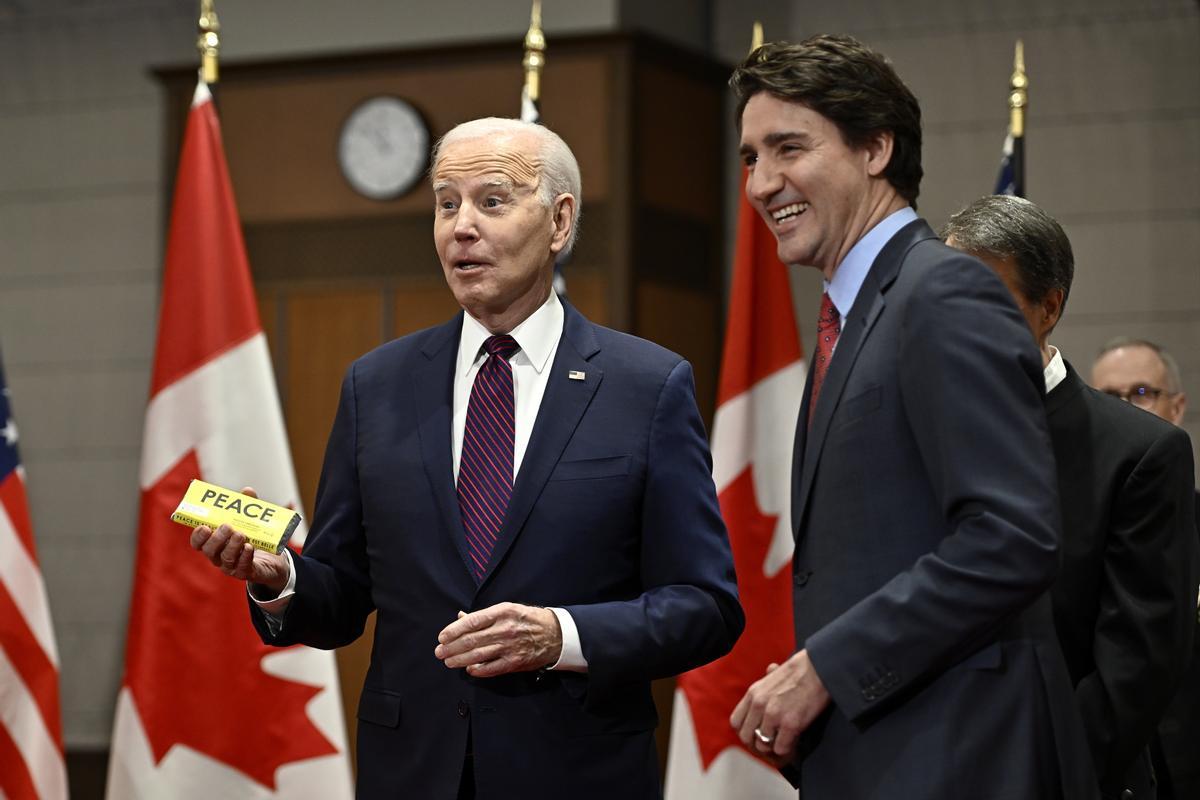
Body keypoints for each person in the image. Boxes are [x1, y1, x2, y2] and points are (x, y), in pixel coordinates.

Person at [189, 117, 744, 799]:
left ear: (560, 222)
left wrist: (561, 635)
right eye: (446, 203)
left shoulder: (646, 386)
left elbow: (706, 607)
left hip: (575, 773)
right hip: (412, 771)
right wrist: (282, 581)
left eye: (492, 200)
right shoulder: (376, 384)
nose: (461, 227)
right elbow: (341, 595)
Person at [727, 36, 1097, 797]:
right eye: (750, 157)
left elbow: (1012, 537)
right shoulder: (860, 312)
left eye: (788, 148)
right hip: (890, 751)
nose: (762, 184)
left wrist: (825, 666)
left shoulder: (945, 294)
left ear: (875, 148)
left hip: (960, 756)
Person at [943, 194, 1197, 800]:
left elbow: (1134, 666)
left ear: (1048, 307)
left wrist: (1031, 775)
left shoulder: (1140, 451)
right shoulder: (917, 430)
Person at [1093, 337, 1200, 799]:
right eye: (1108, 398)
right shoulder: (1065, 536)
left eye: (1141, 393)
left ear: (1177, 407)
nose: (1125, 409)